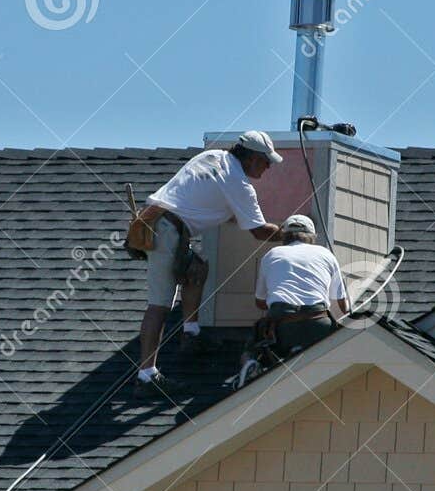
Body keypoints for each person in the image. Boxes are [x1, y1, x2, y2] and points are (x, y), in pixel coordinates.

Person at [134, 131, 283, 388]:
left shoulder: (213, 157)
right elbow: (259, 232)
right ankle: (146, 376)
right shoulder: (238, 183)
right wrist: (291, 232)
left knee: (197, 269)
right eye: (265, 161)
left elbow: (209, 203)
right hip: (167, 231)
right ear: (250, 158)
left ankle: (191, 335)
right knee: (160, 305)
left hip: (158, 222)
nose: (268, 166)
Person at [253, 214, 348, 357]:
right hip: (318, 324)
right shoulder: (326, 254)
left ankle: (249, 369)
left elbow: (260, 302)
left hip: (282, 328)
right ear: (313, 236)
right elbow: (342, 305)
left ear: (284, 235)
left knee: (255, 352)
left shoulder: (272, 255)